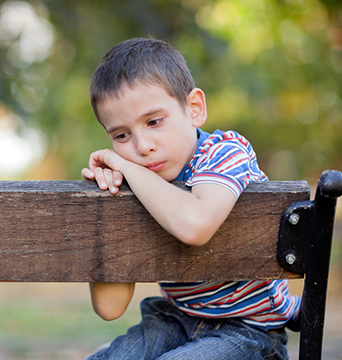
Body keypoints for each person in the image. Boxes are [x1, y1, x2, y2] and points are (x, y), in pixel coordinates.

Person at [81, 38, 300, 360]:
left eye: (154, 121)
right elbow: (110, 307)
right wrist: (109, 202)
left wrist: (126, 165)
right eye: (121, 135)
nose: (142, 146)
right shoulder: (136, 180)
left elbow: (195, 225)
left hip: (250, 330)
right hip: (174, 320)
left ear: (194, 108)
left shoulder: (225, 152)